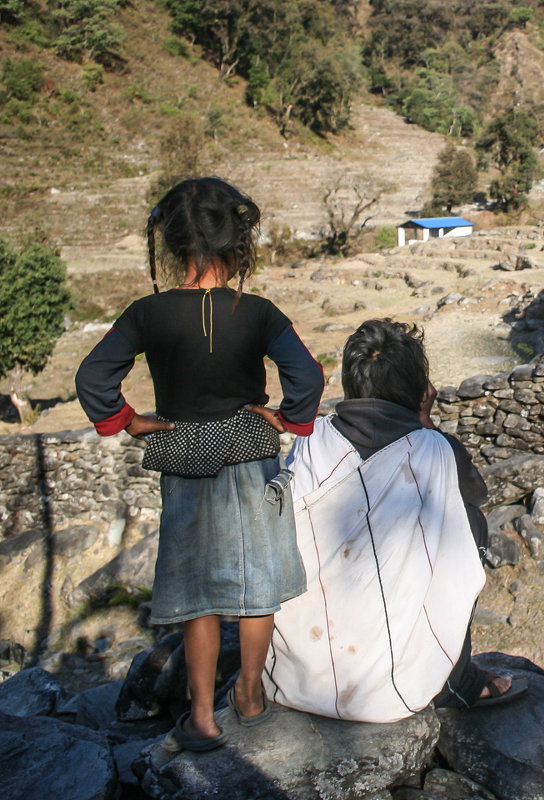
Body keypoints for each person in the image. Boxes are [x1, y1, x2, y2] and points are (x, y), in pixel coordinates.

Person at [75, 177, 324, 751]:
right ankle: (251, 696)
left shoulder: (146, 313)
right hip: (251, 453)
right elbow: (307, 376)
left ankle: (203, 718)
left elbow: (93, 377)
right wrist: (287, 419)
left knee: (197, 595)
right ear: (237, 243)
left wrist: (129, 421)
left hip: (183, 455)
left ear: (173, 245)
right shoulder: (259, 312)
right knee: (258, 585)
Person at [263, 318, 526, 722]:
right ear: (418, 388)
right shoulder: (434, 449)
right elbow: (474, 497)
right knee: (470, 523)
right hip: (387, 692)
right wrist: (425, 425)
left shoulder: (312, 439)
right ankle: (454, 681)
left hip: (300, 674)